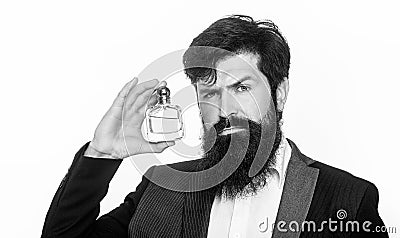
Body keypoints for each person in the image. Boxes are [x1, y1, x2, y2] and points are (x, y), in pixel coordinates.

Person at [41, 15, 388, 238]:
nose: (224, 109)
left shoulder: (350, 199)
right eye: (209, 93)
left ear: (279, 94)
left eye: (242, 88)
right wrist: (102, 154)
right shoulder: (161, 189)